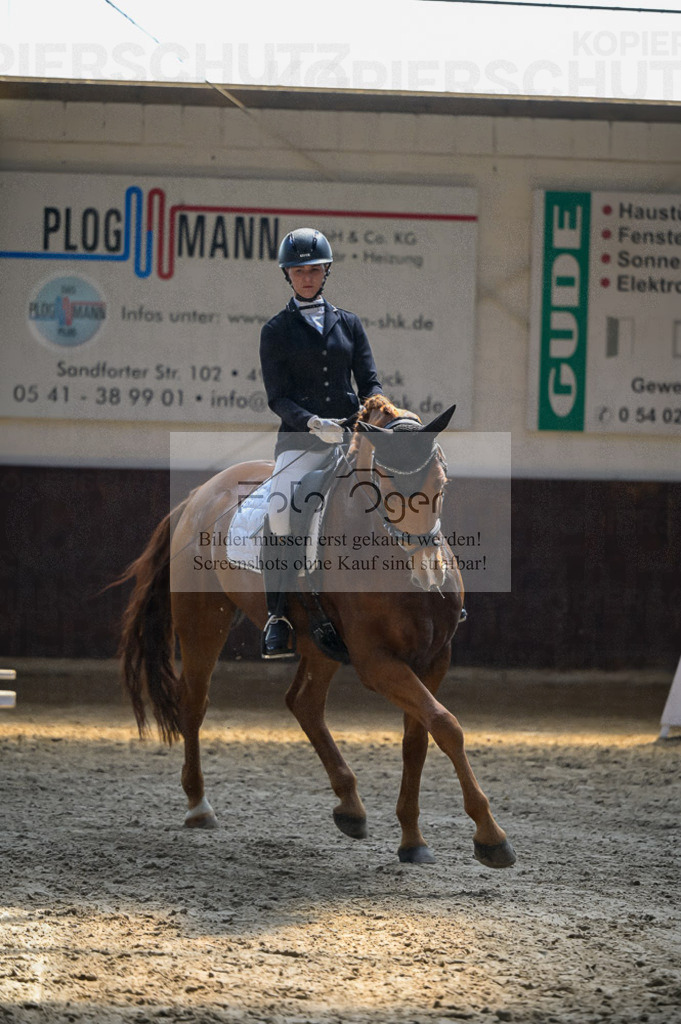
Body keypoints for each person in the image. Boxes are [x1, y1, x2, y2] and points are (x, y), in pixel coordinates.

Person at [258, 226, 383, 659]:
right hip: (300, 440)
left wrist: (375, 408)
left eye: (313, 270)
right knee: (279, 507)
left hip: (349, 435)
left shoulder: (349, 323)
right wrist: (311, 422)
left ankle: (427, 586)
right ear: (287, 275)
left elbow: (369, 381)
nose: (306, 277)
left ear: (325, 271)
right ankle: (278, 615)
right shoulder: (275, 330)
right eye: (298, 271)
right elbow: (278, 397)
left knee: (402, 489)